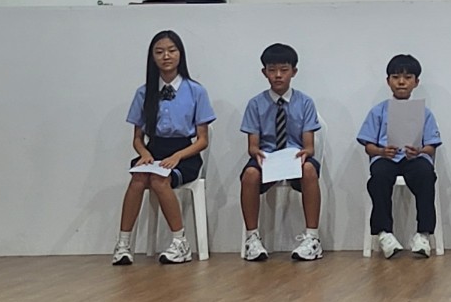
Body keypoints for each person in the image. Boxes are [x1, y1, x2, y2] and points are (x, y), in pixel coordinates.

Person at [111, 30, 216, 265]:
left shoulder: (196, 90)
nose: (166, 56)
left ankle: (180, 242)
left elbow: (202, 140)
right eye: (159, 52)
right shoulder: (143, 92)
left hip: (185, 154)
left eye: (171, 50)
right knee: (138, 178)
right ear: (152, 57)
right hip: (154, 151)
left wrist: (177, 156)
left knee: (160, 180)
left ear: (180, 54)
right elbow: (137, 138)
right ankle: (123, 244)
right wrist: (144, 154)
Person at [240, 42, 323, 262]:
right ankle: (252, 238)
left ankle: (312, 238)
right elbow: (252, 146)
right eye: (272, 70)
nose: (278, 75)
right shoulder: (255, 104)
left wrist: (304, 153)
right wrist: (257, 153)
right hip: (267, 158)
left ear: (294, 72)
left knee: (309, 170)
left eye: (284, 70)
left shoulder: (305, 102)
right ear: (264, 72)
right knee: (250, 174)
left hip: (295, 158)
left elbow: (309, 146)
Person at [356, 54, 442, 258]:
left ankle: (423, 234)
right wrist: (381, 151)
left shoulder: (425, 113)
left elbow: (431, 146)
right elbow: (368, 145)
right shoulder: (378, 111)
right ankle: (384, 233)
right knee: (378, 176)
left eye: (408, 77)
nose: (401, 82)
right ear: (388, 81)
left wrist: (419, 151)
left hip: (414, 158)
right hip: (386, 158)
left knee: (426, 173)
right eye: (396, 77)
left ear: (416, 82)